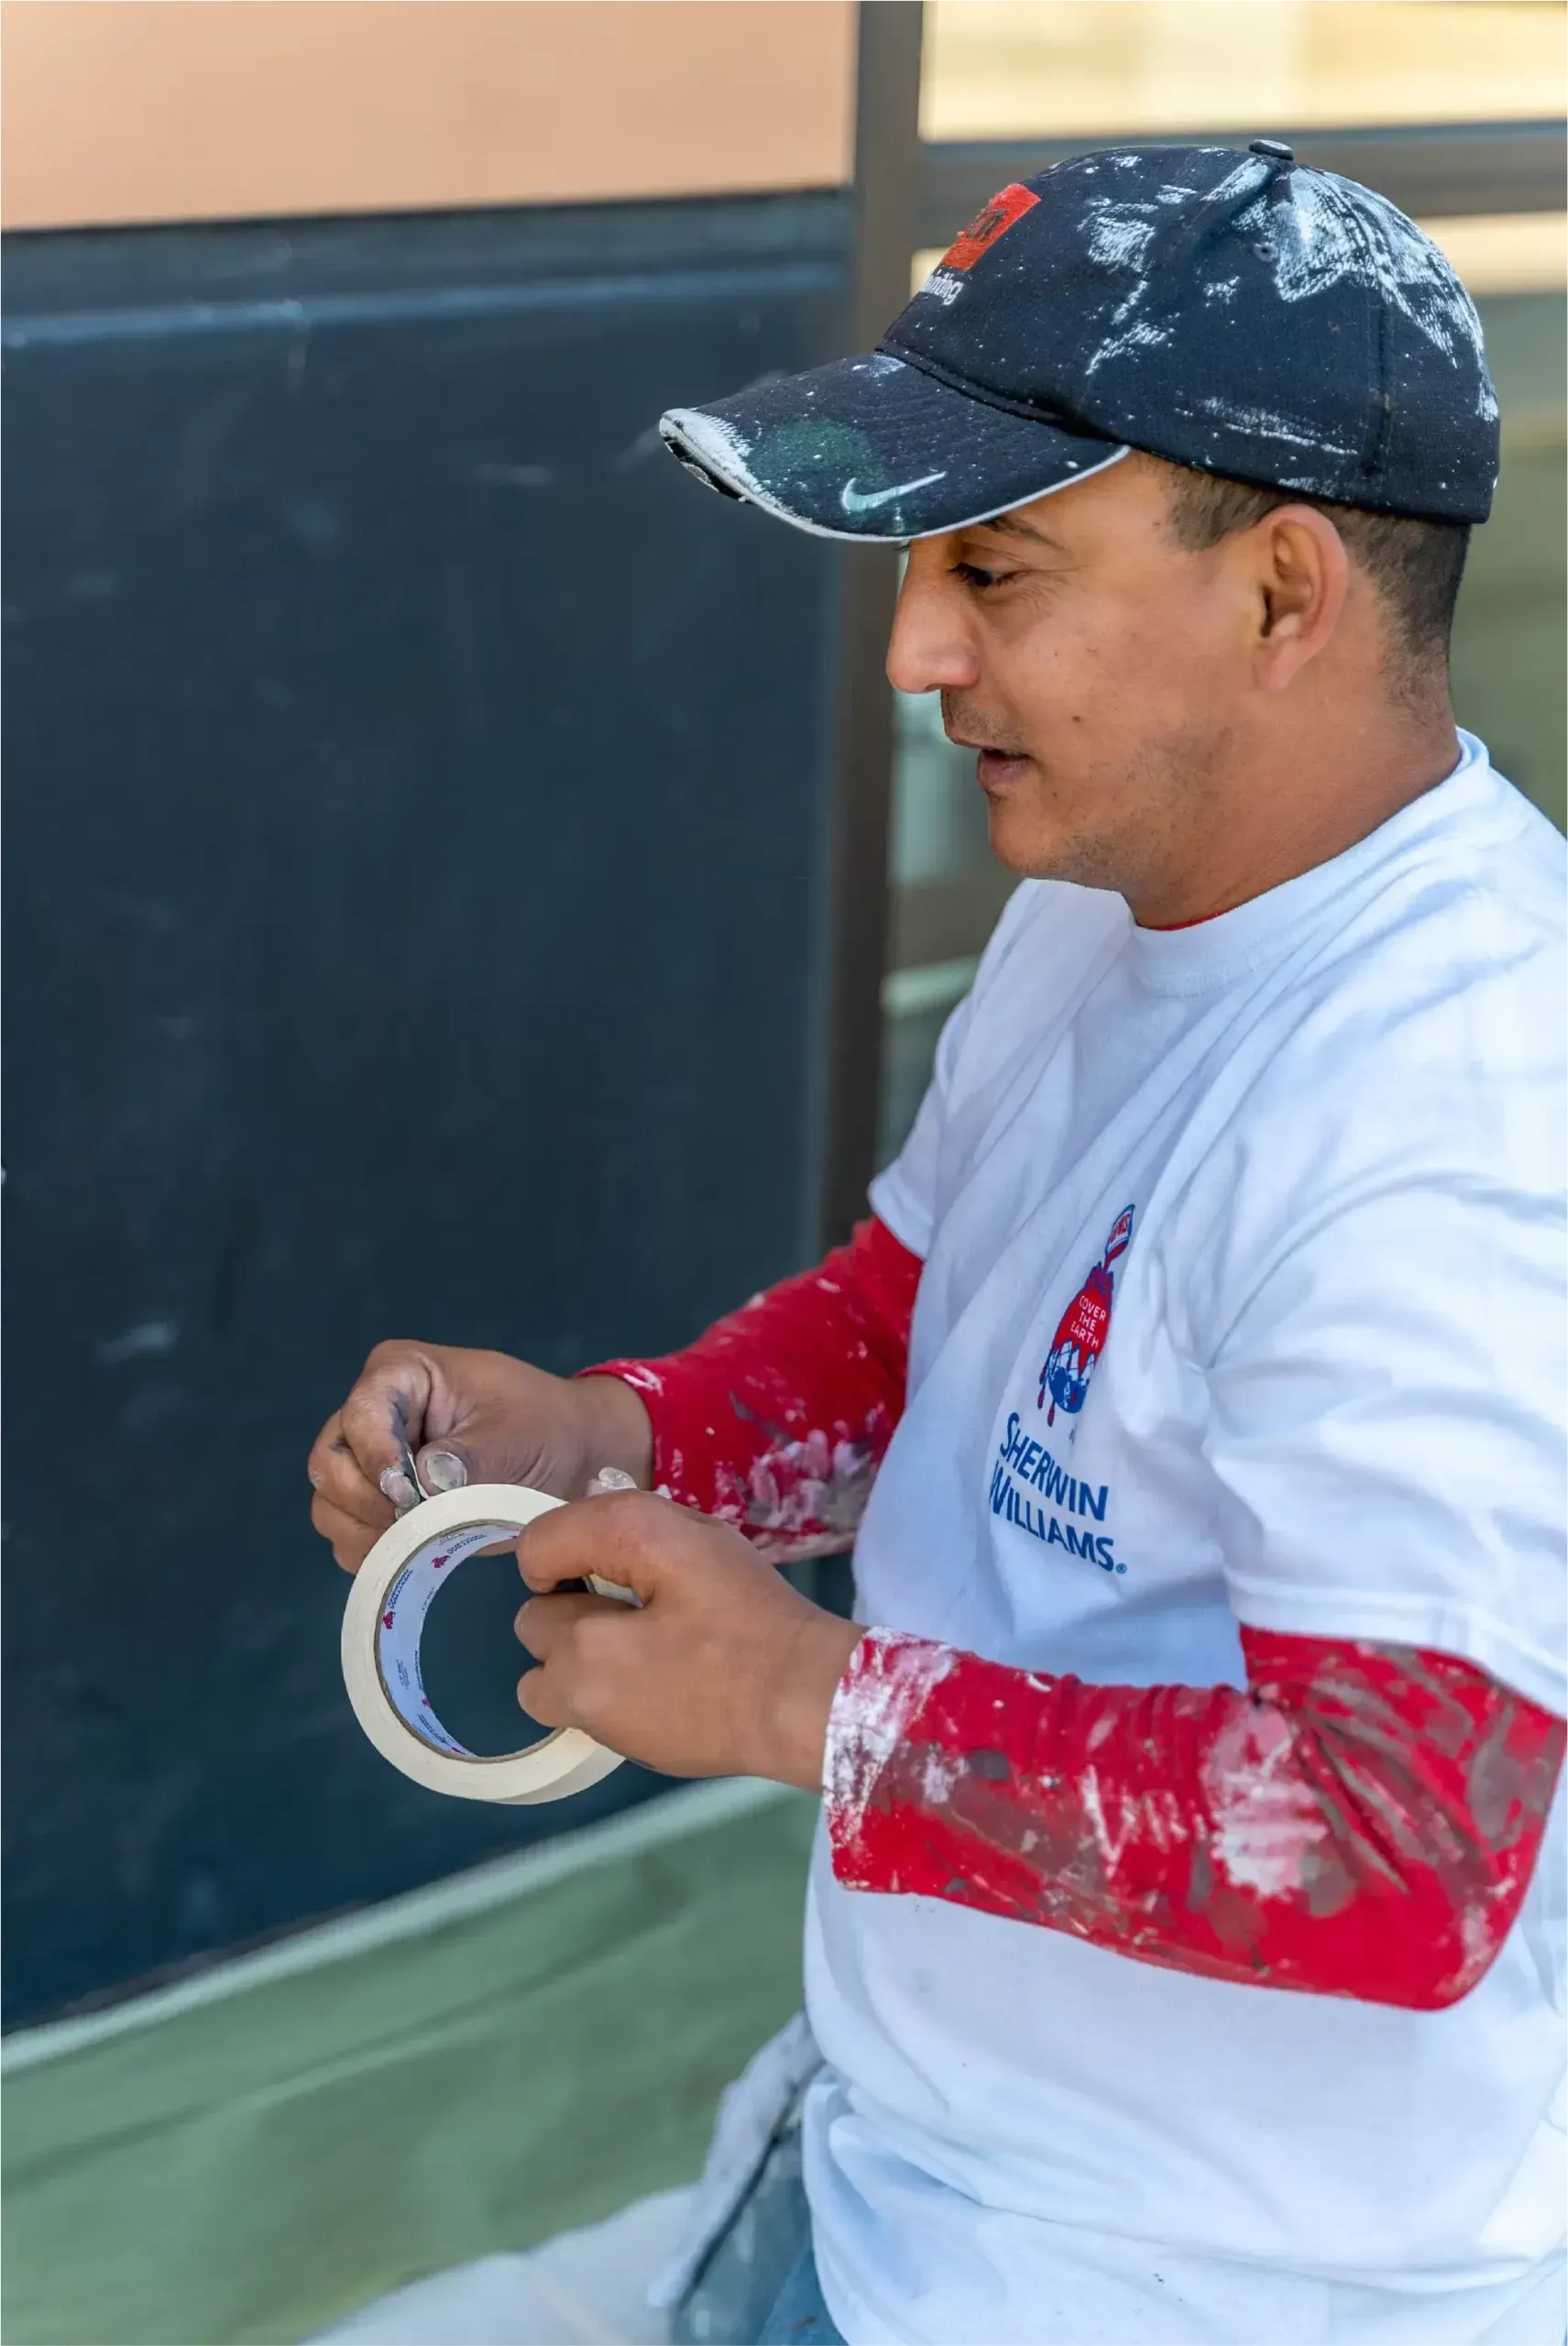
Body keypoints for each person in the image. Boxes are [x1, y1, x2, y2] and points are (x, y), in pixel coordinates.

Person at [309, 142, 1568, 2346]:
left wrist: (798, 1698)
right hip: (906, 2151)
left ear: (1285, 592)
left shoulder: (1459, 1117)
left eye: (996, 564)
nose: (913, 647)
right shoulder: (1112, 895)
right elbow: (931, 1309)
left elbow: (1396, 1846)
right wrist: (620, 1434)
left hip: (1210, 2288)